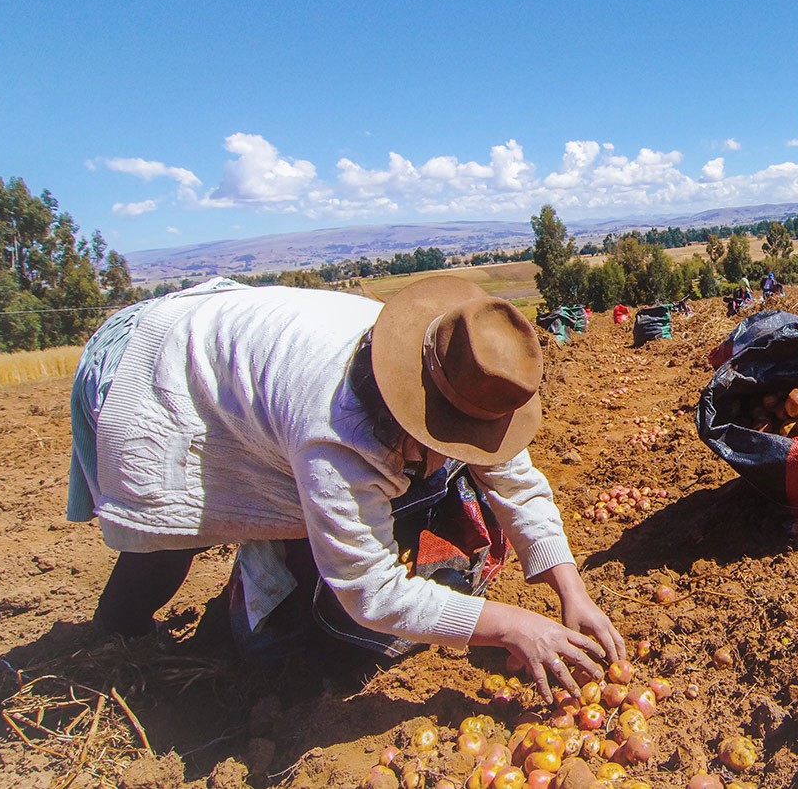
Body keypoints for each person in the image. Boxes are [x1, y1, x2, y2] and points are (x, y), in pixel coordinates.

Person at [68, 276, 624, 700]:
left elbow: (516, 482)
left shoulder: (460, 370)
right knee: (172, 535)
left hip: (238, 350)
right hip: (150, 365)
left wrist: (571, 592)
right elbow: (371, 592)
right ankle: (112, 642)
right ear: (415, 412)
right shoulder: (338, 431)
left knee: (399, 493)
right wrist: (513, 625)